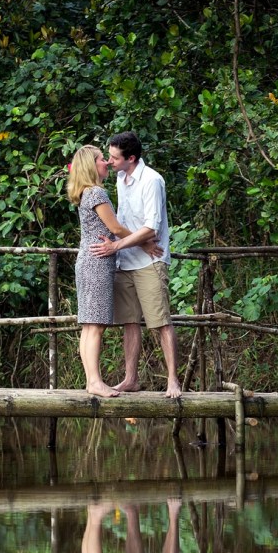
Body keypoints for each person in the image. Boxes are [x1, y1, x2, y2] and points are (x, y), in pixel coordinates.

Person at [89, 132, 183, 399]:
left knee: (160, 321)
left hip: (149, 261)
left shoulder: (152, 180)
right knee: (130, 321)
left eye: (115, 157)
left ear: (131, 158)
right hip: (126, 260)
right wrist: (132, 245)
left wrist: (116, 246)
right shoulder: (119, 177)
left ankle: (172, 380)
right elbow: (122, 222)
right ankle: (130, 378)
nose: (109, 161)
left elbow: (151, 227)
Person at [66, 145, 160, 398]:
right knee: (95, 326)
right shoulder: (96, 193)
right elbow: (116, 229)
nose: (106, 162)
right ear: (90, 166)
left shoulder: (86, 192)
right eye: (101, 159)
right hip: (97, 263)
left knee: (89, 326)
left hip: (88, 260)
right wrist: (144, 242)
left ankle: (91, 381)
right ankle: (95, 382)